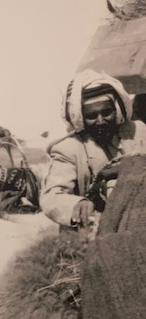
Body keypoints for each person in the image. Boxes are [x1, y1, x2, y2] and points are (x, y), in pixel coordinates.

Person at [41, 69, 146, 228]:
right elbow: (53, 195)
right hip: (94, 227)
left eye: (106, 112)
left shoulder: (137, 131)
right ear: (81, 118)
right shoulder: (69, 149)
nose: (101, 121)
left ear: (116, 110)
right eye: (91, 116)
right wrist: (77, 204)